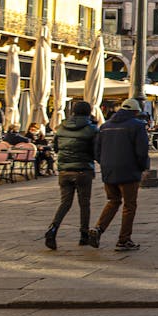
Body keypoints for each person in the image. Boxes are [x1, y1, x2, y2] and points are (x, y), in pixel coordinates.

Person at [88, 98, 149, 252]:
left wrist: (106, 164)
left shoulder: (105, 126)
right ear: (135, 112)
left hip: (109, 170)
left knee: (113, 200)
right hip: (129, 170)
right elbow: (142, 152)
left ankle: (98, 229)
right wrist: (143, 168)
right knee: (129, 205)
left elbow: (97, 151)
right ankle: (124, 239)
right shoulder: (137, 126)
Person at [44, 100, 98, 250]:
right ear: (88, 112)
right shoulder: (91, 129)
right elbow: (96, 151)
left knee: (65, 203)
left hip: (64, 171)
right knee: (84, 203)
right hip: (83, 170)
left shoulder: (61, 127)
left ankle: (53, 228)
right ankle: (83, 235)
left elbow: (56, 148)